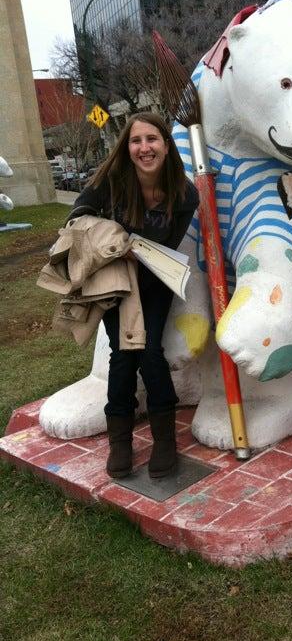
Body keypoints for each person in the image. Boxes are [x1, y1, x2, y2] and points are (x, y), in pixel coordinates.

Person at [70, 112, 199, 480]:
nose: (145, 147)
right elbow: (76, 218)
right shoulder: (109, 182)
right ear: (127, 147)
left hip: (154, 282)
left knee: (150, 353)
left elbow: (166, 247)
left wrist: (140, 251)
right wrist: (112, 241)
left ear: (166, 145)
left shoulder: (184, 193)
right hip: (114, 279)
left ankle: (164, 441)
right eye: (136, 140)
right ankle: (121, 442)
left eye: (152, 139)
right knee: (124, 355)